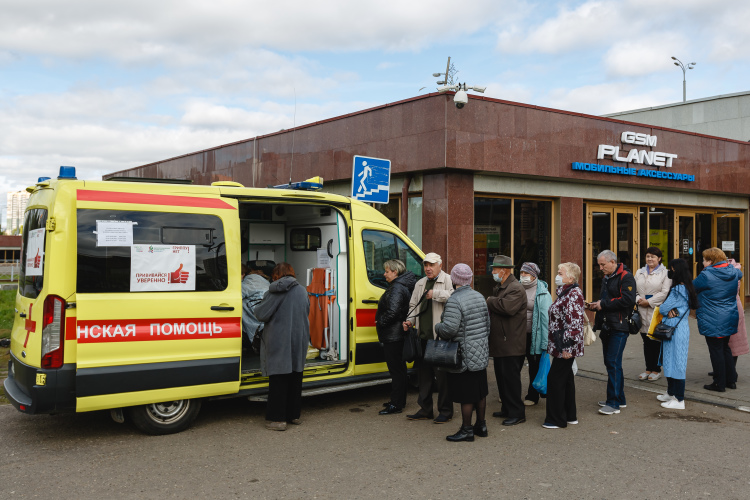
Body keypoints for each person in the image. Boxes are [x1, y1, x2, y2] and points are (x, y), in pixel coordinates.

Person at [435, 264, 490, 442]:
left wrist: (438, 326)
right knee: (480, 391)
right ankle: (481, 425)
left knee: (466, 393)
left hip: (464, 354)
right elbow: (488, 325)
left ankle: (466, 429)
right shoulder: (479, 296)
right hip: (480, 352)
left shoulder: (454, 300)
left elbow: (449, 329)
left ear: (454, 279)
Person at [254, 263, 310, 431]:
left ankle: (277, 420)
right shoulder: (302, 290)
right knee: (295, 377)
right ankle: (294, 415)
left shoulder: (275, 291)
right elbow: (306, 311)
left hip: (280, 340)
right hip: (299, 339)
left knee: (279, 379)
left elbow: (261, 314)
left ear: (276, 275)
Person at [402, 252, 454, 423]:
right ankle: (425, 409)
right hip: (422, 337)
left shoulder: (447, 279)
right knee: (423, 376)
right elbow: (413, 304)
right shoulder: (420, 283)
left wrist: (436, 294)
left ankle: (445, 411)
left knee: (442, 378)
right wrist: (409, 321)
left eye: (431, 265)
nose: (428, 268)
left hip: (439, 338)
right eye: (426, 265)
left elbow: (454, 297)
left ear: (440, 265)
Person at [587, 249, 636, 415]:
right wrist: (597, 304)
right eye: (599, 265)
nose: (600, 268)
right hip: (608, 326)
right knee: (612, 363)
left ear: (613, 262)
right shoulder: (608, 277)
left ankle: (613, 403)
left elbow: (628, 300)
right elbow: (607, 300)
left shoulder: (626, 277)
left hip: (619, 327)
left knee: (613, 363)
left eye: (603, 264)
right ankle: (619, 398)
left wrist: (603, 304)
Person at [693, 247, 743, 392]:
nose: (702, 263)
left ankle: (719, 383)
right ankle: (731, 380)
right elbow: (740, 274)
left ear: (711, 261)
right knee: (725, 348)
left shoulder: (706, 275)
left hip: (712, 318)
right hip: (729, 316)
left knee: (716, 351)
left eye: (704, 260)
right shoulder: (733, 271)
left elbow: (692, 287)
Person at [486, 255, 528, 426]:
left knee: (510, 381)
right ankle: (507, 409)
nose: (493, 272)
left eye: (495, 269)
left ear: (503, 270)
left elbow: (507, 308)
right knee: (502, 378)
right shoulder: (503, 286)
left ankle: (517, 413)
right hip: (502, 342)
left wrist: (490, 300)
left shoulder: (515, 288)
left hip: (511, 343)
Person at [543, 263, 585, 429]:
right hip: (560, 343)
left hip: (565, 345)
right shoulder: (564, 292)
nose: (557, 275)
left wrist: (567, 347)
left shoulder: (573, 294)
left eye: (560, 273)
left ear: (571, 277)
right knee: (566, 379)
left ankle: (556, 419)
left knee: (555, 380)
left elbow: (574, 323)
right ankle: (569, 415)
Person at [655, 258, 699, 410]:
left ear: (677, 271)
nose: (670, 271)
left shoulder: (678, 289)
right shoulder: (686, 287)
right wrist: (673, 311)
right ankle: (671, 392)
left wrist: (669, 310)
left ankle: (679, 399)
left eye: (672, 268)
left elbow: (662, 308)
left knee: (676, 363)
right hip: (678, 329)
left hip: (674, 330)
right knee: (670, 360)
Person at [375, 259, 417, 415]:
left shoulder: (397, 288)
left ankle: (396, 404)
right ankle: (398, 400)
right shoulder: (399, 286)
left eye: (387, 271)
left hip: (394, 335)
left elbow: (393, 312)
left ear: (395, 272)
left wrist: (380, 321)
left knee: (397, 371)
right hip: (396, 334)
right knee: (399, 370)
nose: (384, 274)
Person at [634, 247, 671, 381]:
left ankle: (656, 369)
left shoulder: (665, 273)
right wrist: (638, 300)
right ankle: (648, 368)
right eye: (648, 256)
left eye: (653, 257)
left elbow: (665, 292)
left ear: (659, 259)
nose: (650, 259)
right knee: (645, 341)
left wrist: (648, 302)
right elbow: (633, 289)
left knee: (655, 340)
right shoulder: (639, 272)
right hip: (641, 310)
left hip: (656, 310)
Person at [519, 262, 552, 406]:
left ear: (534, 276)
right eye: (521, 273)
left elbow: (546, 319)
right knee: (514, 365)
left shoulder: (542, 292)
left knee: (534, 365)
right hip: (517, 334)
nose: (523, 276)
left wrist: (545, 342)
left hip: (534, 336)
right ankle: (510, 393)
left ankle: (532, 395)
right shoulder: (516, 287)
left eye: (526, 273)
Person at [725, 259, 748, 384]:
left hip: (732, 309)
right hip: (731, 308)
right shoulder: (732, 271)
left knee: (733, 343)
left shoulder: (733, 272)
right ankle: (726, 368)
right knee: (727, 343)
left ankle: (731, 371)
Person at [241, 264, 270, 349]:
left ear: (243, 274)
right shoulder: (257, 278)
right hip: (266, 309)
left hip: (259, 311)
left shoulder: (250, 280)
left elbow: (237, 294)